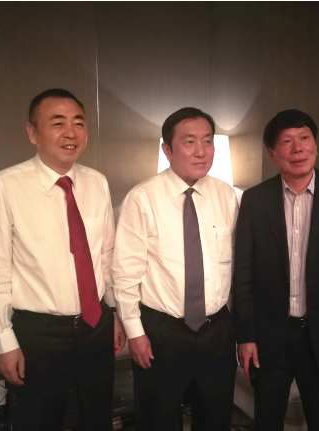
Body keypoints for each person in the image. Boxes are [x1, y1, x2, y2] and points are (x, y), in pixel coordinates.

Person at [0, 88, 126, 431]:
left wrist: (114, 311)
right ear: (33, 133)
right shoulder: (6, 186)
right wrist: (3, 340)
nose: (71, 133)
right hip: (38, 334)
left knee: (98, 419)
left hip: (95, 326)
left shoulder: (97, 182)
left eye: (79, 123)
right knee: (39, 421)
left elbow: (105, 256)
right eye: (58, 123)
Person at [232, 109, 319, 430]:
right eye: (286, 141)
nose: (297, 148)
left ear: (315, 147)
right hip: (270, 339)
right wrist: (246, 336)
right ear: (272, 154)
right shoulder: (255, 200)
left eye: (304, 138)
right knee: (267, 421)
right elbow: (243, 275)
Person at [112, 107, 239, 431]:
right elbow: (125, 273)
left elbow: (238, 265)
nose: (201, 151)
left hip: (217, 331)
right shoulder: (142, 198)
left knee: (216, 419)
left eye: (207, 141)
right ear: (167, 149)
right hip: (162, 334)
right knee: (158, 420)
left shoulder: (226, 195)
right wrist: (135, 333)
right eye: (189, 142)